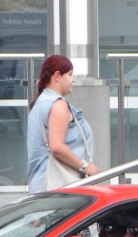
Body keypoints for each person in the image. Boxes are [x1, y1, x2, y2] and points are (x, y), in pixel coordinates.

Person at [26, 54, 99, 193]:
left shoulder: (40, 103)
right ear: (57, 76)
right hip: (58, 186)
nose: (73, 79)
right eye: (70, 74)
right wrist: (86, 167)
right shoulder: (58, 105)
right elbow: (57, 146)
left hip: (41, 185)